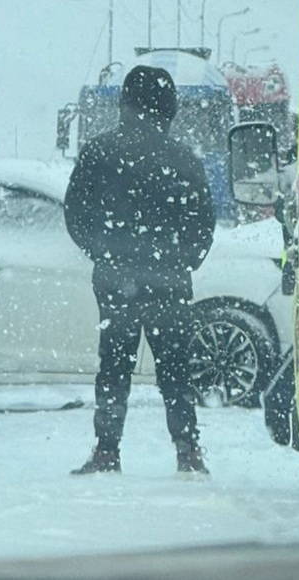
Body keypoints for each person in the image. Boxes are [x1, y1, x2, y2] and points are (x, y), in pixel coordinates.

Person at [64, 65, 216, 475]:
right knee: (175, 367)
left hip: (116, 278)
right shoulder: (183, 159)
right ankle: (187, 451)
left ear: (125, 103)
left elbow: (75, 213)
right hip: (170, 278)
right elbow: (203, 222)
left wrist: (103, 252)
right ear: (169, 108)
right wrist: (183, 260)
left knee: (113, 365)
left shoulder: (99, 152)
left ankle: (107, 451)